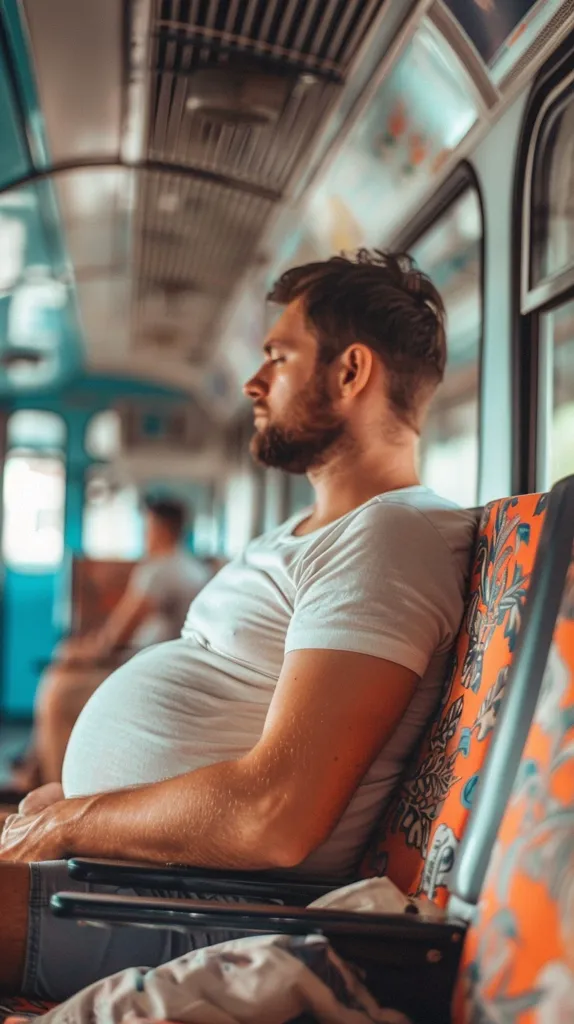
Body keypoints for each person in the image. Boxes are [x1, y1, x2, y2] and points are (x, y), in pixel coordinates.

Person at [0, 250, 477, 1002]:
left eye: (278, 357)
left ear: (351, 373)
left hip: (204, 904)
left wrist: (75, 824)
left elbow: (276, 816)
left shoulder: (389, 541)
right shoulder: (305, 530)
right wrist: (78, 807)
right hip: (138, 866)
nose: (256, 382)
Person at [14, 497, 210, 788]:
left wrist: (77, 652)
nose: (145, 535)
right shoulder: (194, 568)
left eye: (147, 527)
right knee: (61, 669)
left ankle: (55, 793)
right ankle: (33, 771)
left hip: (146, 670)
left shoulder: (158, 570)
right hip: (164, 664)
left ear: (160, 528)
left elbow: (115, 638)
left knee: (58, 691)